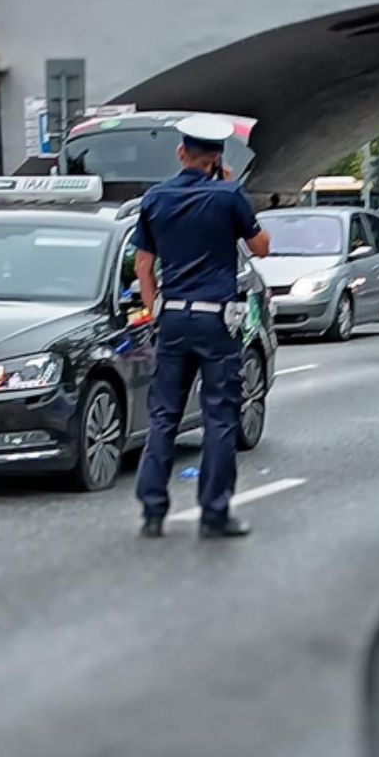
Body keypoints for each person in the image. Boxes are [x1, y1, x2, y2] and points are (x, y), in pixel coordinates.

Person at [132, 114, 271, 540]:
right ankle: (214, 511)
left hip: (172, 316)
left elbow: (143, 264)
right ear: (216, 159)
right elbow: (262, 248)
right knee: (219, 416)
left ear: (181, 153)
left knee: (164, 415)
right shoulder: (229, 195)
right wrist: (231, 189)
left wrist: (157, 308)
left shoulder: (155, 199)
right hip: (215, 320)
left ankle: (153, 510)